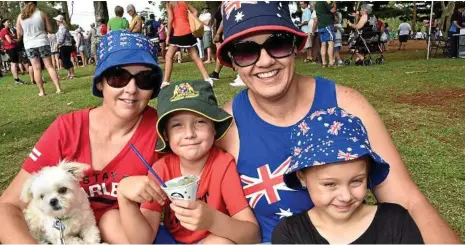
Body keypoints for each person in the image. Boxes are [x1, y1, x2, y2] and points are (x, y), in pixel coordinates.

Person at [215, 1, 461, 243]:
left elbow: (406, 199)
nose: (265, 61)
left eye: (277, 44)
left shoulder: (346, 105)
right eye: (246, 51)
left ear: (296, 46)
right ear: (232, 60)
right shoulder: (225, 126)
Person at [0, 30, 164, 244]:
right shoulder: (67, 129)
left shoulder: (162, 131)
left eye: (145, 79)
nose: (132, 89)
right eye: (118, 77)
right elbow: (8, 205)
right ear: (100, 83)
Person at [118, 80, 261, 244]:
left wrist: (212, 220)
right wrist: (124, 198)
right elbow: (142, 241)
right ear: (165, 135)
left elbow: (252, 235)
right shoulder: (161, 170)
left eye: (200, 122)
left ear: (213, 127)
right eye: (177, 125)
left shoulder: (223, 165)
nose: (189, 134)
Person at [272, 107, 424, 244]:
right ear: (302, 177)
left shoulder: (396, 221)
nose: (346, 196)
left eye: (356, 181)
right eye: (330, 184)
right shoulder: (289, 234)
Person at [16, 1, 62, 96]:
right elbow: (50, 30)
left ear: (25, 3)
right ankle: (58, 88)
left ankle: (42, 91)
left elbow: (19, 34)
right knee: (49, 66)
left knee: (36, 68)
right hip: (42, 42)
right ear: (36, 3)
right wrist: (42, 29)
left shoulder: (20, 16)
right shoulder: (41, 14)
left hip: (30, 45)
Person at [163, 1, 213, 86]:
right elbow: (195, 11)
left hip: (178, 33)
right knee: (195, 56)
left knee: (168, 56)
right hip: (188, 31)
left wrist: (167, 35)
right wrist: (190, 18)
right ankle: (208, 79)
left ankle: (166, 82)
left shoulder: (169, 3)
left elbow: (170, 19)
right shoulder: (183, 2)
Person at [1, 18, 26, 84]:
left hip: (12, 48)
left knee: (14, 63)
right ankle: (16, 80)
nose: (9, 23)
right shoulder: (4, 31)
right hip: (10, 49)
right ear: (3, 24)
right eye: (7, 22)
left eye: (9, 22)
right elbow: (9, 41)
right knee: (13, 64)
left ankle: (16, 79)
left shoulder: (8, 30)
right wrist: (17, 40)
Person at [315, 1, 336, 67]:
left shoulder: (317, 3)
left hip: (321, 25)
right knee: (331, 43)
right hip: (328, 24)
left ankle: (324, 62)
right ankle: (331, 62)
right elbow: (333, 10)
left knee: (323, 44)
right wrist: (334, 2)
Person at [54, 15, 75, 80]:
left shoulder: (62, 27)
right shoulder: (63, 27)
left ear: (59, 21)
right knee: (65, 60)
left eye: (56, 20)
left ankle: (72, 74)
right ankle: (69, 74)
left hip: (65, 45)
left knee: (66, 60)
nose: (56, 21)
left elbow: (61, 38)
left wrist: (57, 44)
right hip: (66, 45)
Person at [209, 2, 224, 81]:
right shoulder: (221, 4)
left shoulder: (227, 3)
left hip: (223, 32)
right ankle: (216, 73)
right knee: (220, 53)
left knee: (221, 53)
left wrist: (218, 33)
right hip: (220, 32)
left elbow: (224, 20)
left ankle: (216, 73)